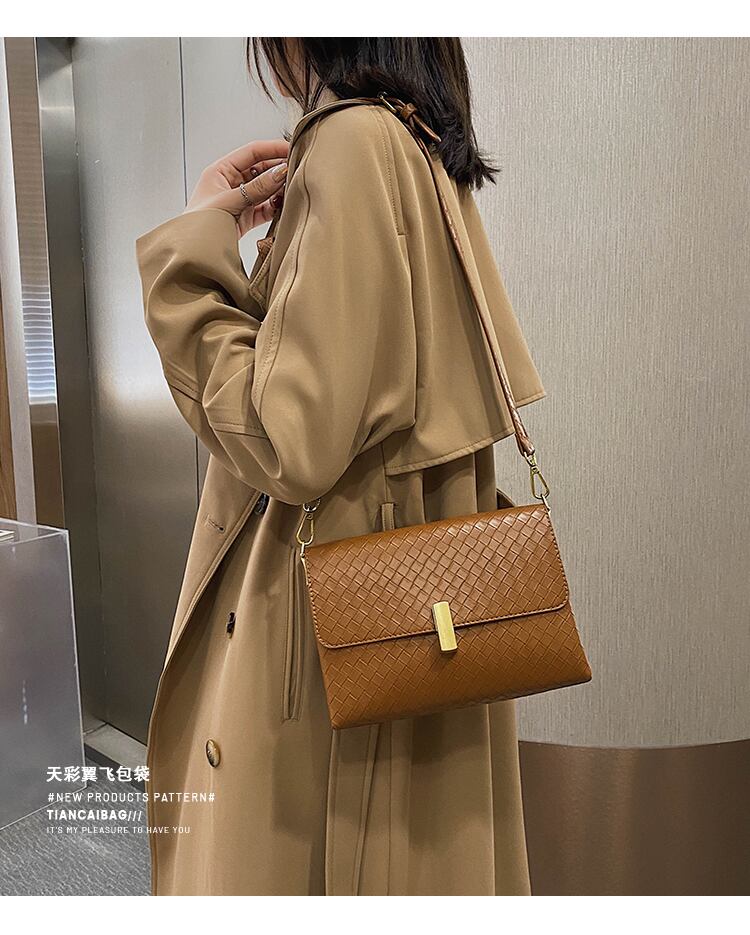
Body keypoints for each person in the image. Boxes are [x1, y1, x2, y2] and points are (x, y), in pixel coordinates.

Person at [135, 37, 547, 896]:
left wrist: (190, 260)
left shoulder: (353, 138)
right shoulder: (418, 139)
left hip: (323, 642)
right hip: (406, 620)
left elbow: (288, 438)